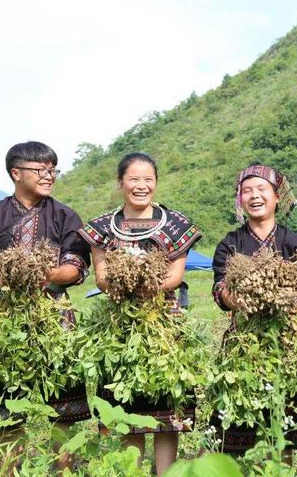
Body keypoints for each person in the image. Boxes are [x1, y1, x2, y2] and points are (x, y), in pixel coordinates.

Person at [0, 141, 91, 471]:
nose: (49, 175)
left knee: (63, 409)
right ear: (16, 173)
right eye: (41, 170)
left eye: (53, 169)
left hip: (56, 322)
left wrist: (35, 273)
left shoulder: (65, 216)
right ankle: (10, 470)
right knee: (7, 411)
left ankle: (62, 469)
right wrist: (12, 276)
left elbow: (74, 269)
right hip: (7, 323)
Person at [79, 152, 202, 476]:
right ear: (121, 182)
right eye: (133, 179)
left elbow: (174, 277)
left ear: (156, 183)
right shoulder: (103, 227)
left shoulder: (176, 224)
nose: (141, 185)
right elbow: (102, 277)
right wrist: (130, 280)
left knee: (165, 405)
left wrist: (138, 281)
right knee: (126, 403)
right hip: (120, 327)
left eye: (148, 179)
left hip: (164, 325)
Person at [210, 164, 297, 458]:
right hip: (243, 346)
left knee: (285, 426)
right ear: (240, 200)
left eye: (262, 190)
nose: (254, 196)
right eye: (247, 191)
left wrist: (294, 298)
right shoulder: (229, 244)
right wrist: (244, 300)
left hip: (287, 345)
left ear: (277, 197)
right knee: (239, 423)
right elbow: (220, 291)